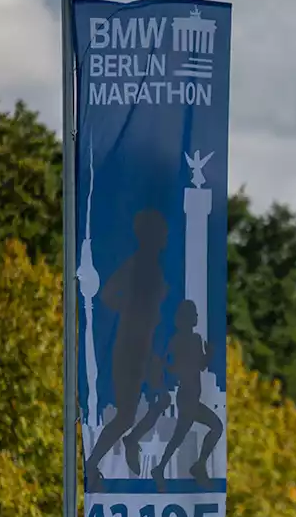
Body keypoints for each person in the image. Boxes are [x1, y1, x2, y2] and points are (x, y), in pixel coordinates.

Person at [84, 209, 169, 488]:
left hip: (147, 346)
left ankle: (131, 442)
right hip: (131, 346)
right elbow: (108, 294)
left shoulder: (154, 266)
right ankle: (93, 464)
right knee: (125, 415)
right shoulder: (137, 264)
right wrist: (131, 311)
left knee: (162, 402)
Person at [151, 300, 223, 490]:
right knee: (214, 427)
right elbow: (173, 366)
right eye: (192, 315)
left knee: (181, 435)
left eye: (195, 315)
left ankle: (165, 468)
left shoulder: (196, 339)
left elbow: (200, 366)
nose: (195, 318)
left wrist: (209, 354)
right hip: (186, 395)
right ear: (183, 319)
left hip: (193, 394)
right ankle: (195, 466)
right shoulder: (178, 340)